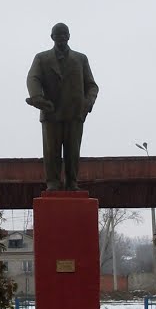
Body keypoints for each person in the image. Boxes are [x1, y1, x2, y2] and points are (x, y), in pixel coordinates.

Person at [26, 23, 99, 190]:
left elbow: (92, 85)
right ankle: (52, 182)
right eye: (57, 34)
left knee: (73, 151)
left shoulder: (81, 59)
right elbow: (33, 78)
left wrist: (88, 102)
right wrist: (37, 97)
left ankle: (72, 182)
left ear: (69, 36)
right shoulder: (41, 58)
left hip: (75, 112)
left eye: (64, 34)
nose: (61, 37)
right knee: (51, 151)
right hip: (51, 112)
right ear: (52, 37)